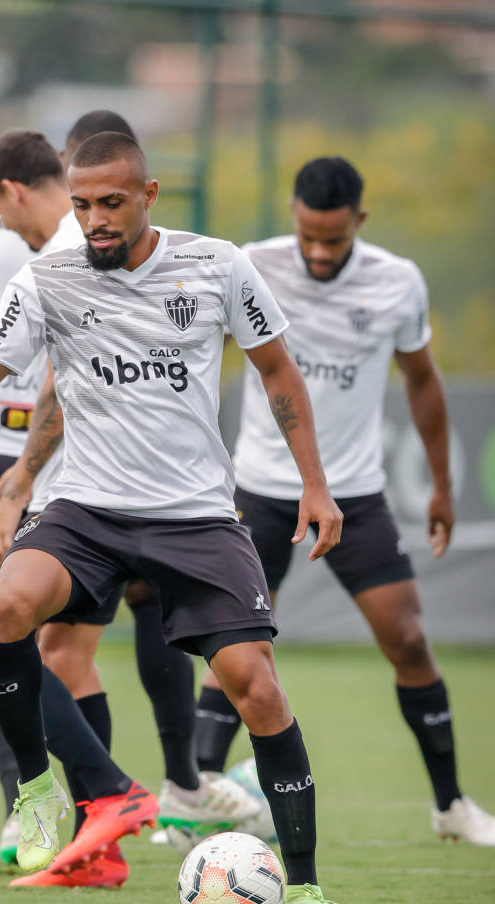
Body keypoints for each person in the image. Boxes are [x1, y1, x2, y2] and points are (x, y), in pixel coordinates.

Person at [0, 132, 348, 904]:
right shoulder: (46, 279)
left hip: (195, 516)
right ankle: (37, 793)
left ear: (148, 195)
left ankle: (308, 892)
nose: (95, 220)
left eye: (111, 203)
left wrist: (314, 484)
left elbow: (277, 369)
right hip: (88, 510)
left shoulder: (216, 266)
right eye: (82, 205)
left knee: (256, 688)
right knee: (6, 610)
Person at [196, 156, 495, 848]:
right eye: (308, 236)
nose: (319, 252)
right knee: (235, 647)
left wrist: (442, 486)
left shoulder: (397, 281)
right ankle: (192, 797)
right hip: (260, 491)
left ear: (359, 220)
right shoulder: (251, 264)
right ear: (292, 217)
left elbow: (422, 380)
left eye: (333, 239)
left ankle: (450, 805)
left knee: (408, 639)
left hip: (354, 494)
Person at [0, 122, 160, 885]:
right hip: (108, 479)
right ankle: (99, 843)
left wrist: (17, 480)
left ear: (17, 191)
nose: (6, 228)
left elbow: (56, 383)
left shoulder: (70, 252)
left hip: (72, 483)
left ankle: (88, 795)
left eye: (4, 212)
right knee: (68, 659)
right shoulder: (96, 243)